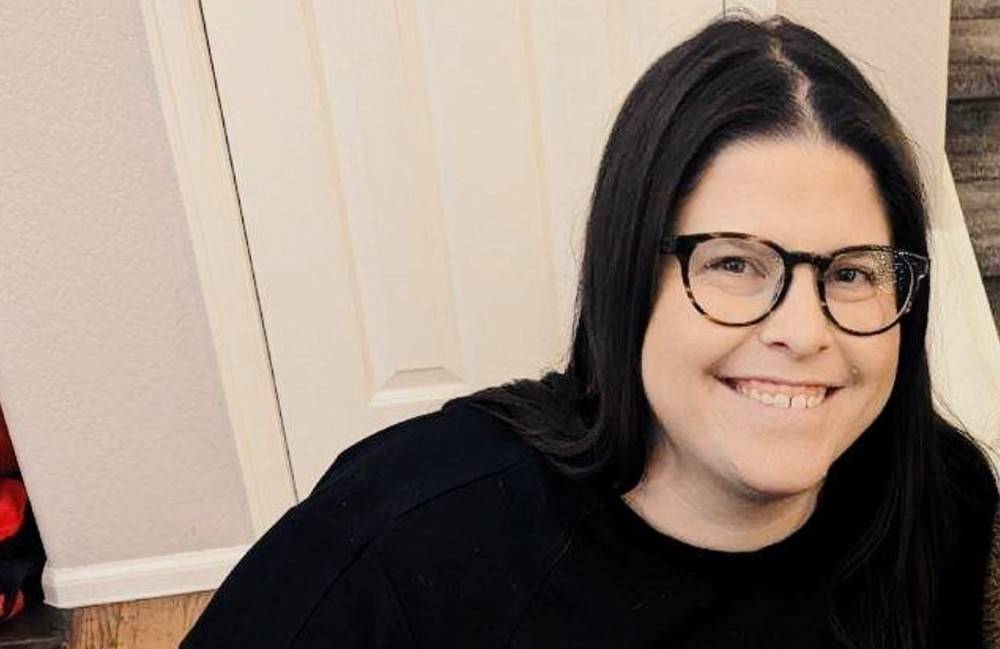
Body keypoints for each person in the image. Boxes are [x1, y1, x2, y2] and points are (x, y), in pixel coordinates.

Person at [179, 13, 999, 649]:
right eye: (734, 263)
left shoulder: (940, 499)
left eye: (851, 273)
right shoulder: (403, 536)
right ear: (627, 276)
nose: (803, 330)